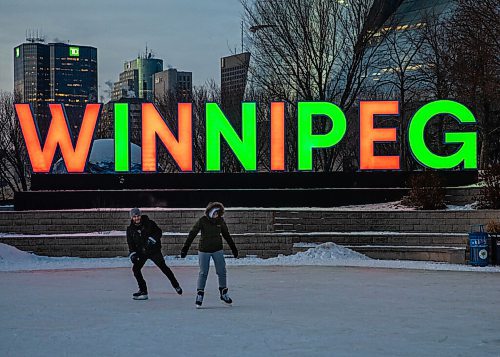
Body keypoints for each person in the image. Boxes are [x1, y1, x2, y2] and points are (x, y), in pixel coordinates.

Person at [180, 202, 238, 308]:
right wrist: (185, 248)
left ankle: (223, 293)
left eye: (219, 214)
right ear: (211, 212)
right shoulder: (203, 221)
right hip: (204, 250)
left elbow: (226, 234)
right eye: (216, 213)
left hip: (217, 249)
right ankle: (200, 294)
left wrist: (233, 248)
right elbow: (192, 233)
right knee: (203, 272)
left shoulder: (220, 221)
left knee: (222, 271)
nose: (217, 216)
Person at [127, 207, 182, 300]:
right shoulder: (130, 229)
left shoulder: (149, 223)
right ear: (132, 218)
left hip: (153, 251)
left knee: (164, 268)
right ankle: (143, 291)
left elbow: (159, 232)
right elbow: (130, 243)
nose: (136, 218)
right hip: (141, 252)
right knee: (136, 269)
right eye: (134, 216)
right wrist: (133, 254)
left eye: (138, 216)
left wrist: (152, 239)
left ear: (140, 216)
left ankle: (176, 285)